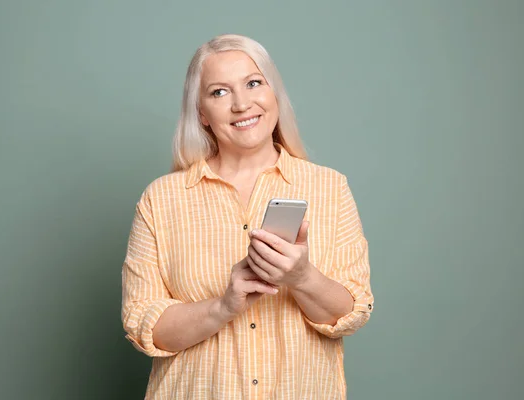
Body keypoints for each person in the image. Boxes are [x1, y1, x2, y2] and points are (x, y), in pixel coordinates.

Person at [121, 33, 375, 399]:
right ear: (202, 115)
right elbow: (145, 326)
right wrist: (223, 306)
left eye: (253, 83)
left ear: (274, 94)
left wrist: (302, 277)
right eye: (219, 92)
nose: (242, 104)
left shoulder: (329, 188)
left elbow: (352, 312)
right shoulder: (161, 199)